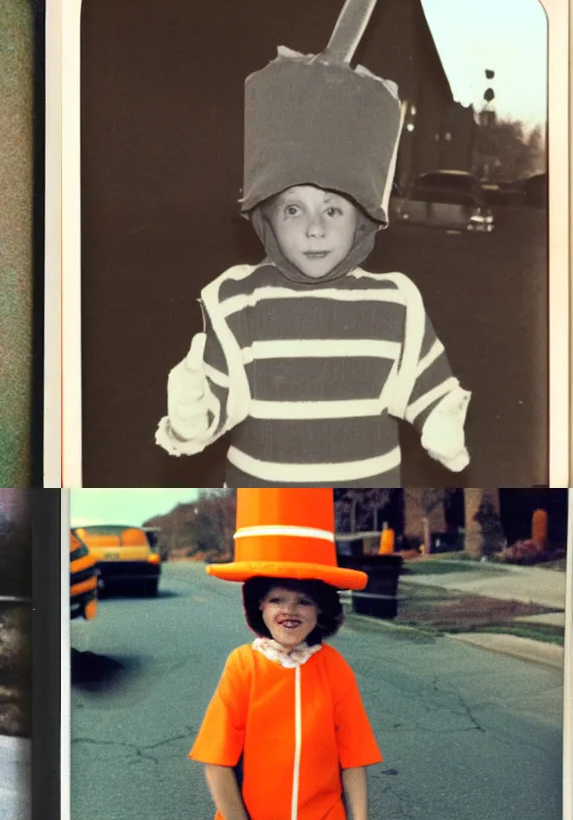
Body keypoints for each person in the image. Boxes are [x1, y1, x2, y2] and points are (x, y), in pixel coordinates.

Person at [156, 39, 468, 486]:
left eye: (333, 209)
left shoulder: (394, 304)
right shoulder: (240, 303)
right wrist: (193, 412)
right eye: (293, 209)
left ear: (362, 219)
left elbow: (426, 382)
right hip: (264, 489)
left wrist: (441, 418)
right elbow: (220, 397)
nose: (314, 228)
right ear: (266, 217)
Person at [158, 489, 382, 820]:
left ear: (322, 611)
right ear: (258, 604)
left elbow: (354, 757)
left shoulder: (334, 669)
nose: (289, 610)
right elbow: (216, 762)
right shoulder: (244, 666)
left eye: (304, 600)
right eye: (277, 598)